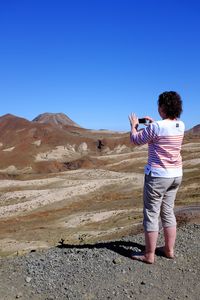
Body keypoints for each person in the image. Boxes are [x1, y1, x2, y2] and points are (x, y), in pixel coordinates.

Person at [129, 91, 185, 264]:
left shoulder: (156, 128)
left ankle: (149, 255)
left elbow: (136, 140)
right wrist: (154, 123)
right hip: (176, 175)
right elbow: (164, 131)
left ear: (162, 107)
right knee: (168, 212)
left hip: (158, 177)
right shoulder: (181, 125)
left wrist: (134, 126)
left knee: (151, 214)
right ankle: (169, 250)